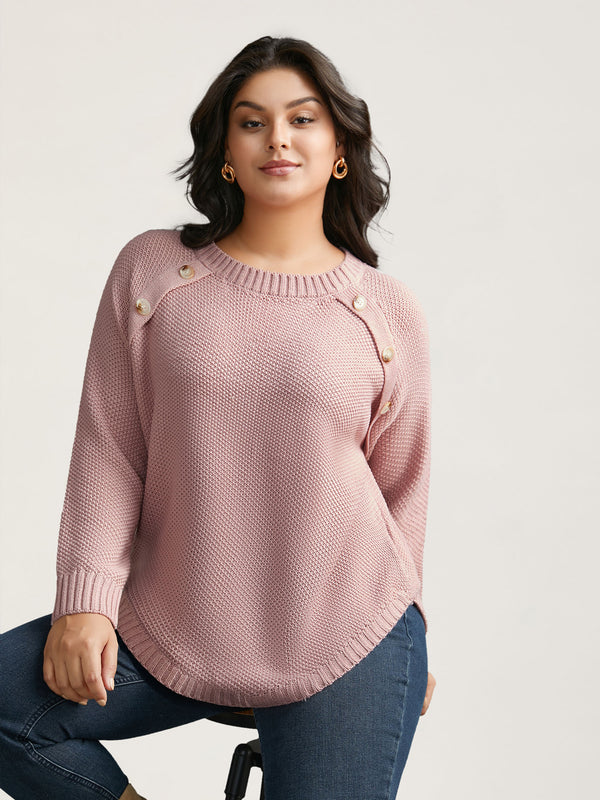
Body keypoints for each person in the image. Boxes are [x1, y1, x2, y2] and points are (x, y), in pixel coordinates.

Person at [0, 35, 436, 800]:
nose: (278, 139)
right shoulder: (153, 270)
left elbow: (402, 488)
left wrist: (410, 626)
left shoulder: (386, 310)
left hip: (345, 634)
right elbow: (110, 449)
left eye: (302, 119)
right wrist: (85, 602)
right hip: (171, 624)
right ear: (227, 151)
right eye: (252, 122)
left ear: (338, 148)